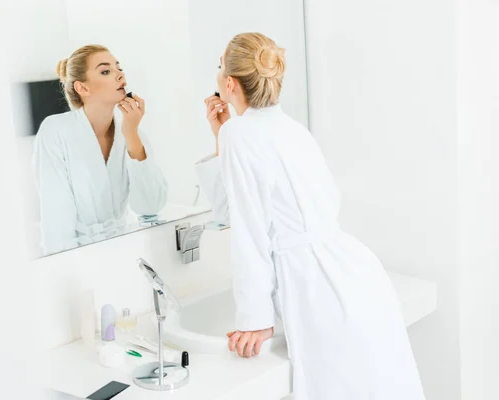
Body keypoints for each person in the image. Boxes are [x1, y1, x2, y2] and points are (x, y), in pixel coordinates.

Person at [195, 33, 426, 399]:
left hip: (314, 285)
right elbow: (231, 210)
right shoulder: (289, 128)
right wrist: (219, 136)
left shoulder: (241, 133)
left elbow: (249, 233)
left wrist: (255, 321)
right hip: (355, 274)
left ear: (229, 83)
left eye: (220, 66)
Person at [32, 45, 168, 256]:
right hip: (78, 258)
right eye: (106, 71)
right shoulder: (55, 131)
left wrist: (131, 133)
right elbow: (56, 220)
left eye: (118, 68)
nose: (119, 74)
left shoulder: (131, 132)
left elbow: (151, 206)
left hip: (126, 251)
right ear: (83, 88)